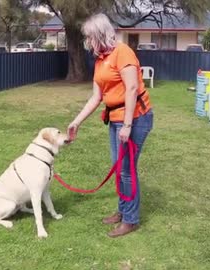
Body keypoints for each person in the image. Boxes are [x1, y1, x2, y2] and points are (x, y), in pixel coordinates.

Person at [66, 13, 153, 238]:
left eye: (89, 37)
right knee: (119, 167)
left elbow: (132, 88)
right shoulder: (100, 60)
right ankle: (123, 211)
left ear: (99, 35)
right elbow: (96, 97)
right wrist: (76, 122)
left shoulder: (122, 52)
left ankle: (131, 220)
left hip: (136, 118)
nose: (87, 42)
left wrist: (127, 125)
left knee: (126, 170)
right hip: (115, 119)